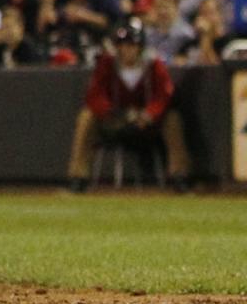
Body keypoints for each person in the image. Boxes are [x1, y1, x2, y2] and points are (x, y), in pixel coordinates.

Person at [66, 20, 191, 193]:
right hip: (116, 119)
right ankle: (78, 177)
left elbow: (164, 94)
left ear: (140, 47)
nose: (127, 50)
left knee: (173, 119)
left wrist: (148, 115)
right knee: (86, 117)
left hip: (146, 122)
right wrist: (112, 113)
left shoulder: (153, 64)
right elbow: (95, 95)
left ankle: (180, 176)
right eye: (123, 45)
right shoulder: (107, 63)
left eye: (131, 45)